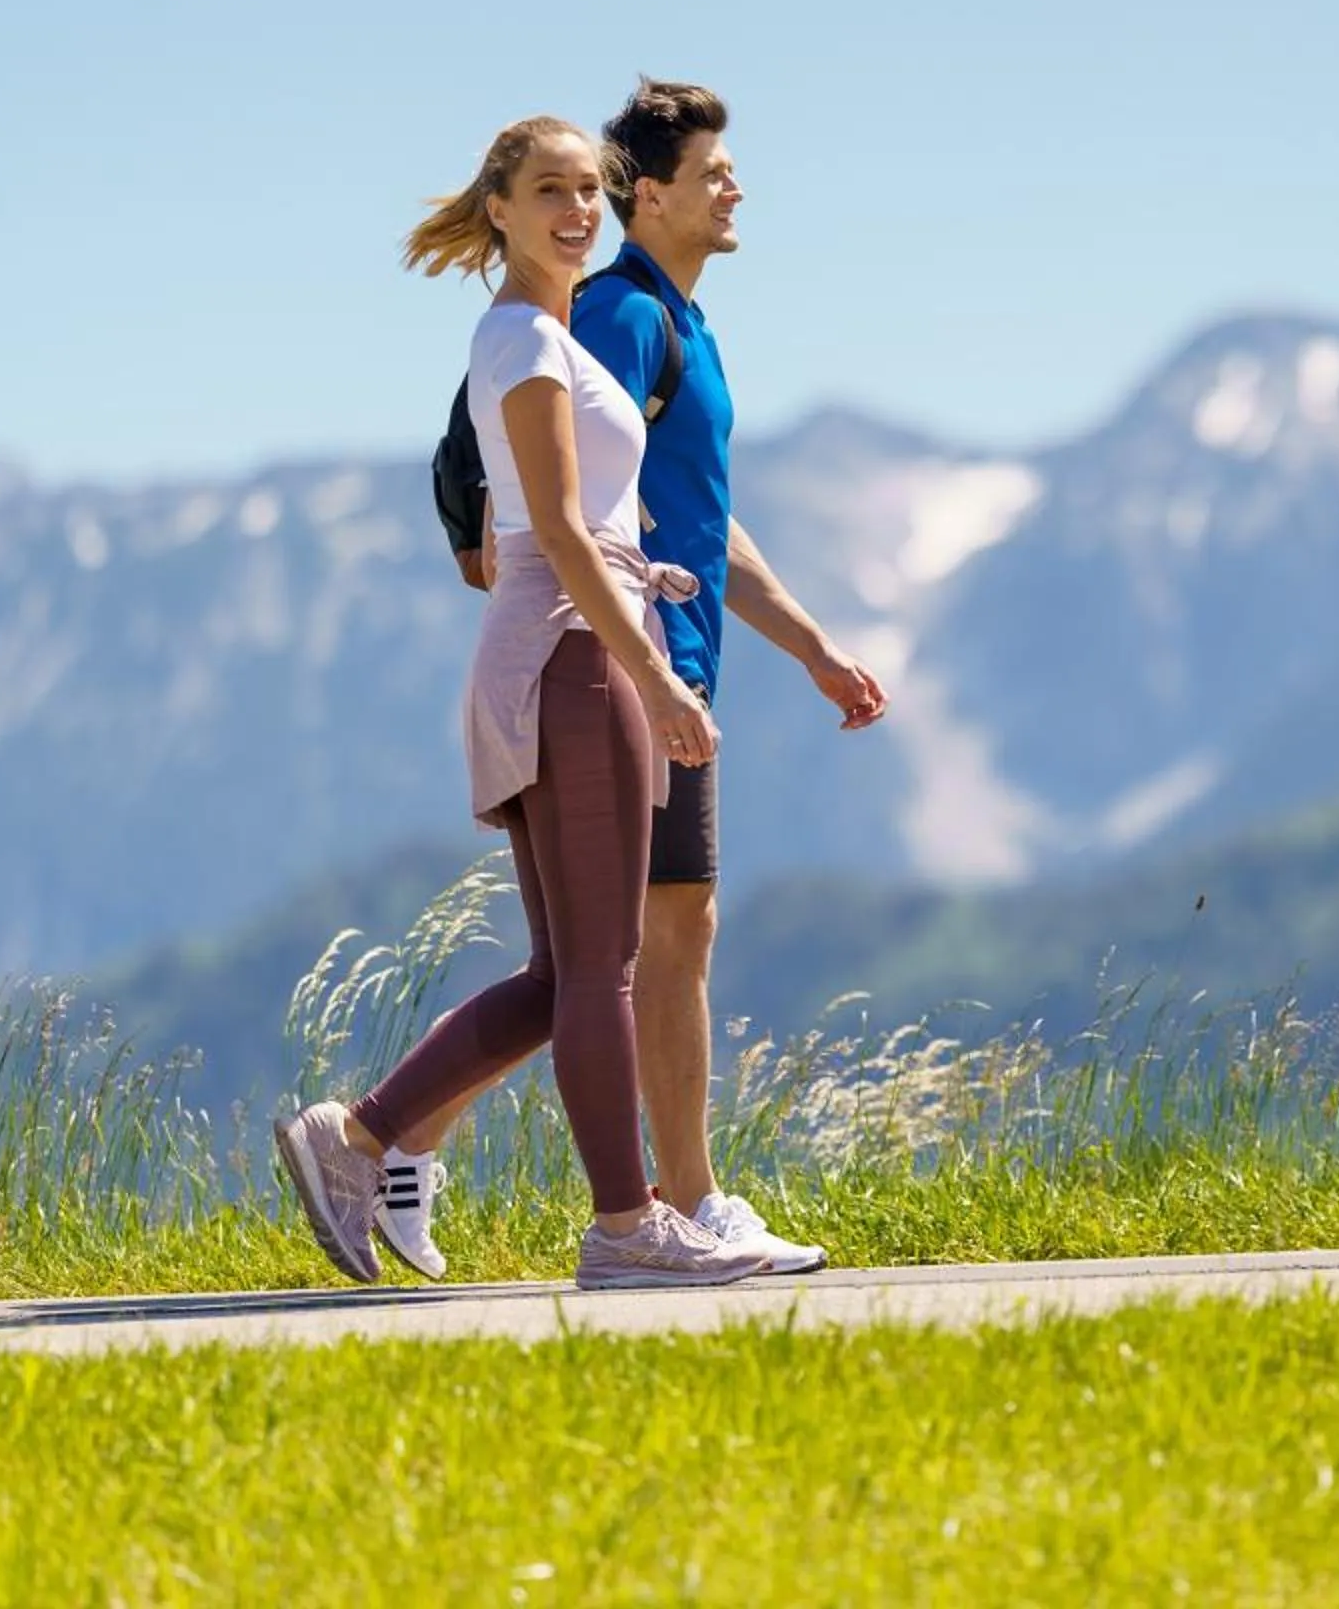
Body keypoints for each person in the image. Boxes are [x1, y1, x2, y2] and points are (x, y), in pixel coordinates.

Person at [387, 78, 888, 1283]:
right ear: (649, 195)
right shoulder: (613, 317)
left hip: (668, 660)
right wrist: (645, 667)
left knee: (643, 939)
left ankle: (402, 1142)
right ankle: (646, 1199)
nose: (736, 187)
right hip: (621, 662)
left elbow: (694, 522)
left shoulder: (681, 326)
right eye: (713, 171)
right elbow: (565, 498)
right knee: (631, 948)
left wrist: (810, 645)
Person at [274, 114, 768, 1292]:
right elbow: (557, 528)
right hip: (575, 655)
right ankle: (626, 1224)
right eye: (551, 189)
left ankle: (358, 1139)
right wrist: (658, 675)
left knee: (565, 972)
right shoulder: (526, 341)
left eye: (591, 189)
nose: (578, 210)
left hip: (557, 650)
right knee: (601, 968)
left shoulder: (541, 334)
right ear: (499, 208)